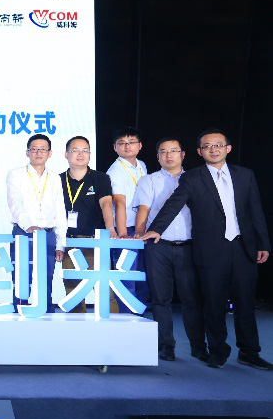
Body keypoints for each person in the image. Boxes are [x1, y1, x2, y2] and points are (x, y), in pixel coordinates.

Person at [143, 129, 271, 370]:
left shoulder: (245, 175)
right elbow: (174, 204)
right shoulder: (192, 177)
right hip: (211, 250)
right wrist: (156, 229)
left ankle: (249, 352)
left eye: (218, 145)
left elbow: (255, 211)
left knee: (245, 303)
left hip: (243, 247)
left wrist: (263, 243)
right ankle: (218, 351)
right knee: (214, 304)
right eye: (207, 146)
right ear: (199, 152)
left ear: (228, 149)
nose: (214, 149)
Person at [132, 137, 205, 362]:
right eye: (163, 152)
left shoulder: (197, 179)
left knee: (191, 299)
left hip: (189, 246)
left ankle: (198, 346)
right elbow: (143, 210)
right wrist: (140, 234)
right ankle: (166, 345)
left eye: (173, 151)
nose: (168, 155)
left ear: (183, 154)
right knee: (160, 298)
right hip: (158, 246)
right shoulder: (149, 180)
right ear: (157, 157)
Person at [6, 135, 66, 311]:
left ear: (50, 153)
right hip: (23, 233)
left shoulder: (55, 178)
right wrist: (28, 225)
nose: (38, 153)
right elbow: (14, 202)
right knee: (21, 280)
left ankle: (46, 319)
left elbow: (60, 210)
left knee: (46, 280)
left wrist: (60, 244)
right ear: (27, 152)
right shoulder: (16, 174)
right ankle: (19, 315)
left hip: (48, 235)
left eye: (43, 149)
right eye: (34, 149)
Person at [59, 136, 117, 314]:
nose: (80, 154)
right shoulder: (57, 180)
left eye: (85, 150)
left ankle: (113, 329)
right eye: (75, 150)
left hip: (96, 243)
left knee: (105, 292)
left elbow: (106, 203)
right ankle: (78, 330)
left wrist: (110, 228)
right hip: (70, 244)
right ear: (66, 154)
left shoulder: (100, 178)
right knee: (73, 294)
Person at [108, 127, 149, 307]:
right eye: (122, 143)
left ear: (140, 145)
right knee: (127, 278)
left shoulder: (141, 165)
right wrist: (123, 233)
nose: (127, 146)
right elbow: (119, 203)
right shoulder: (116, 170)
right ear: (115, 147)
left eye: (131, 142)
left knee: (141, 276)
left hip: (141, 228)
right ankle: (126, 317)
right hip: (126, 229)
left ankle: (138, 315)